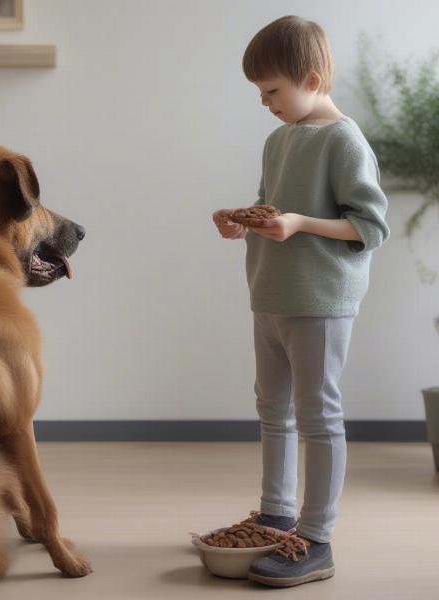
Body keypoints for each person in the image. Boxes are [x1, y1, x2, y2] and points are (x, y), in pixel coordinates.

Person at [212, 15, 390, 587]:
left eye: (272, 91)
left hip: (319, 300)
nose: (265, 103)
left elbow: (370, 226)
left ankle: (316, 538)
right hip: (270, 294)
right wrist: (242, 222)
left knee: (317, 417)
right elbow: (272, 207)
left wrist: (301, 223)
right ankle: (276, 514)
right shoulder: (278, 139)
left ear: (311, 78)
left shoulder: (344, 139)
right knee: (272, 410)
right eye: (260, 93)